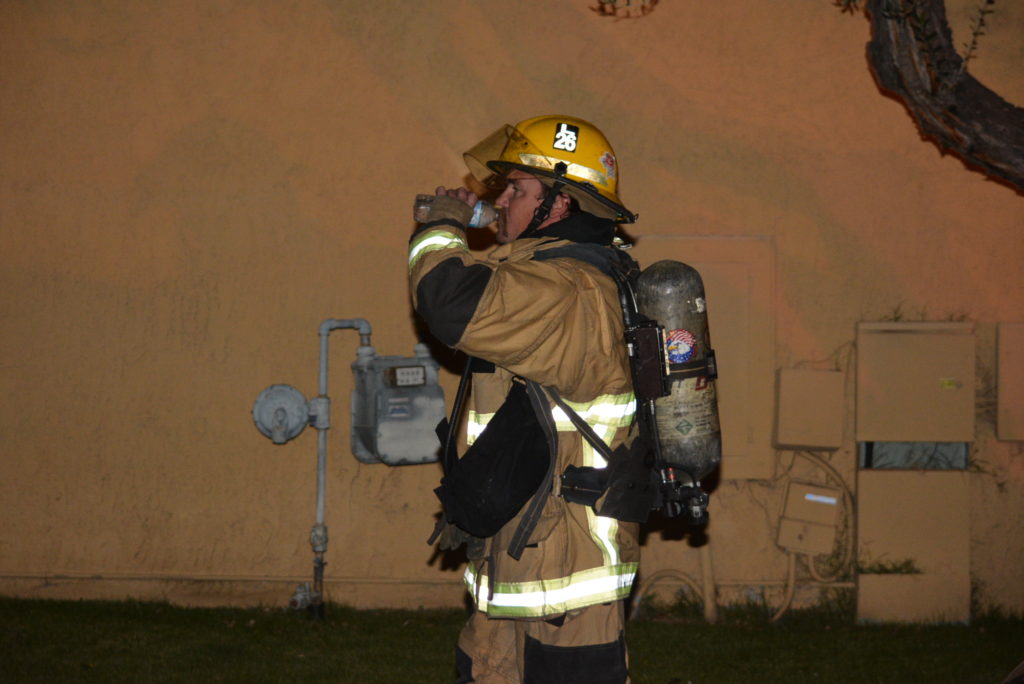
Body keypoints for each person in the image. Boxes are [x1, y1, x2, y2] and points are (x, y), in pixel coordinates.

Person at [408, 115, 640, 683]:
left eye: (516, 189)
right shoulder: (548, 276)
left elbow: (448, 300)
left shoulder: (567, 289)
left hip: (564, 579)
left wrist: (442, 226)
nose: (502, 201)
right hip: (523, 553)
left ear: (559, 204)